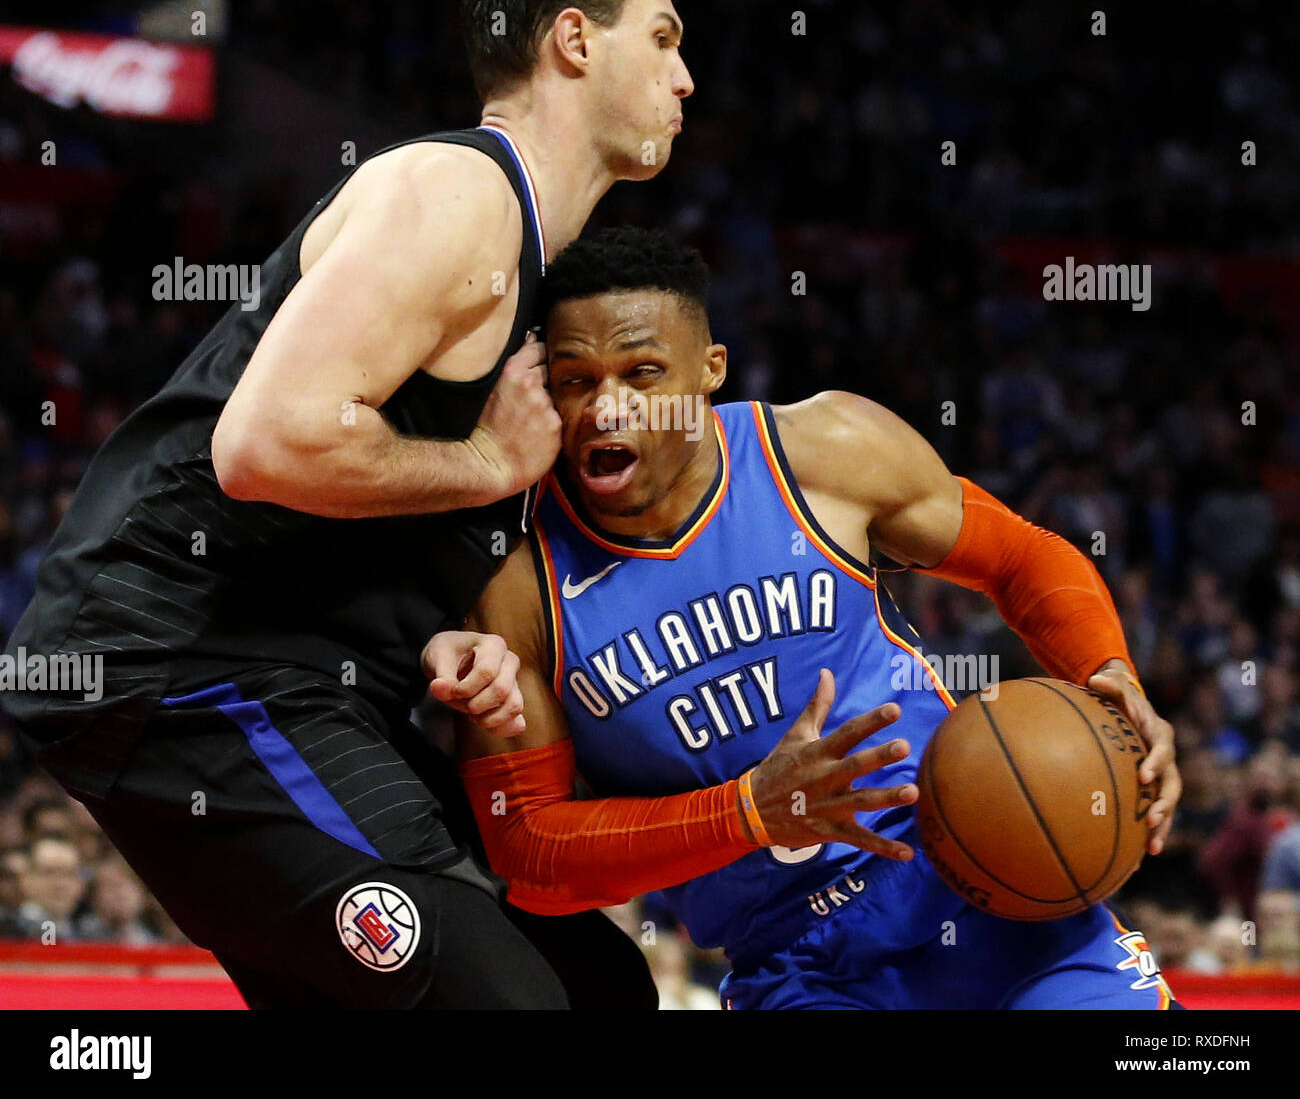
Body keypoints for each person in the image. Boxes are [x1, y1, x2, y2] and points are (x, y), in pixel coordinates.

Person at [0, 0, 693, 1008]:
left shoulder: (528, 266)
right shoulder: (458, 192)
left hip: (307, 684)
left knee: (603, 986)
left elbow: (345, 513)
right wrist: (485, 468)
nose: (683, 77)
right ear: (573, 38)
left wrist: (439, 643)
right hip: (183, 668)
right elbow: (266, 443)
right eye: (660, 38)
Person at [435, 226, 1185, 1009]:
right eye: (575, 380)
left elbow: (1020, 558)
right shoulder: (518, 589)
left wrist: (1106, 670)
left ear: (709, 372)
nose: (606, 406)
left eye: (643, 373)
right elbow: (529, 855)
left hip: (985, 883)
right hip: (798, 962)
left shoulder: (823, 451)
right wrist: (749, 811)